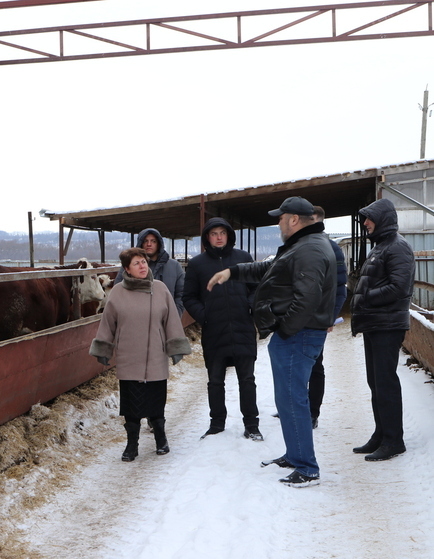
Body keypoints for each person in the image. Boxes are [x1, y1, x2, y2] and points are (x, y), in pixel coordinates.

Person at [206, 196, 336, 488]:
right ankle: (295, 454)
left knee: (293, 400)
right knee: (287, 399)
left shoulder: (310, 250)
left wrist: (285, 329)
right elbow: (268, 269)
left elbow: (307, 298)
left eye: (280, 218)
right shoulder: (301, 246)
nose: (277, 223)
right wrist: (233, 271)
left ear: (293, 220)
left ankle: (307, 468)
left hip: (298, 336)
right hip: (294, 335)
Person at [90, 247, 191, 462]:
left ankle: (161, 438)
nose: (142, 266)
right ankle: (131, 444)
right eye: (136, 263)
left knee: (156, 400)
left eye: (144, 261)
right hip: (129, 356)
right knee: (131, 404)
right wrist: (104, 348)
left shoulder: (161, 289)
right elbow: (107, 323)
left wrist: (176, 348)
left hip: (156, 354)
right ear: (126, 269)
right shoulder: (117, 292)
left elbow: (171, 319)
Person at [182, 217, 262, 441]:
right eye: (213, 233)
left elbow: (257, 287)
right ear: (207, 237)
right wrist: (204, 315)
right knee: (215, 380)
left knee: (247, 379)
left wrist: (249, 305)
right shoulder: (197, 264)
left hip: (242, 327)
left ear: (228, 235)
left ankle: (252, 424)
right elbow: (188, 296)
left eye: (222, 233)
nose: (218, 237)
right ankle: (217, 423)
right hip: (214, 330)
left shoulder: (243, 259)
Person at [350, 198, 415, 461]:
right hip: (375, 323)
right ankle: (382, 433)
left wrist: (365, 296)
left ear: (383, 219)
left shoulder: (398, 248)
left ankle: (393, 440)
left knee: (385, 383)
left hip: (387, 324)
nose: (365, 223)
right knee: (375, 382)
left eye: (369, 218)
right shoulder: (381, 247)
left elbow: (400, 288)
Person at [308, 206, 348, 429]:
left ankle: (313, 412)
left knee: (315, 365)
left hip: (317, 319)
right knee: (295, 366)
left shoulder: (332, 249)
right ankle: (297, 405)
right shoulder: (296, 246)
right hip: (295, 318)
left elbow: (340, 286)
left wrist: (330, 317)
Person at [114, 228, 185, 316]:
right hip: (137, 319)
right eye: (145, 241)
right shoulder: (130, 266)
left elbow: (182, 293)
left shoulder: (174, 266)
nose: (149, 244)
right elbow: (118, 292)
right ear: (140, 243)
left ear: (159, 243)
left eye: (153, 241)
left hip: (167, 318)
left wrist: (175, 315)